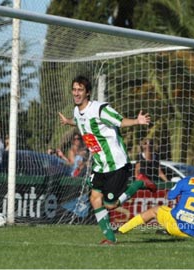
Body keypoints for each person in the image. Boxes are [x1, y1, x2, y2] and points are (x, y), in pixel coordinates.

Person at [58, 75, 157, 244]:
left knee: (111, 205)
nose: (76, 93)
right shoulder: (77, 110)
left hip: (116, 163)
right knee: (94, 199)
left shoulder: (100, 109)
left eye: (80, 90)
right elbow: (82, 121)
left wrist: (137, 121)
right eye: (74, 89)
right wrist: (69, 121)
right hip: (99, 164)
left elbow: (119, 121)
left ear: (88, 93)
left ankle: (139, 183)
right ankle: (110, 238)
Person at [118, 156, 194, 237]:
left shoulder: (186, 180)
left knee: (154, 211)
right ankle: (170, 230)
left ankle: (121, 230)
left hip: (177, 225)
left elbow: (169, 196)